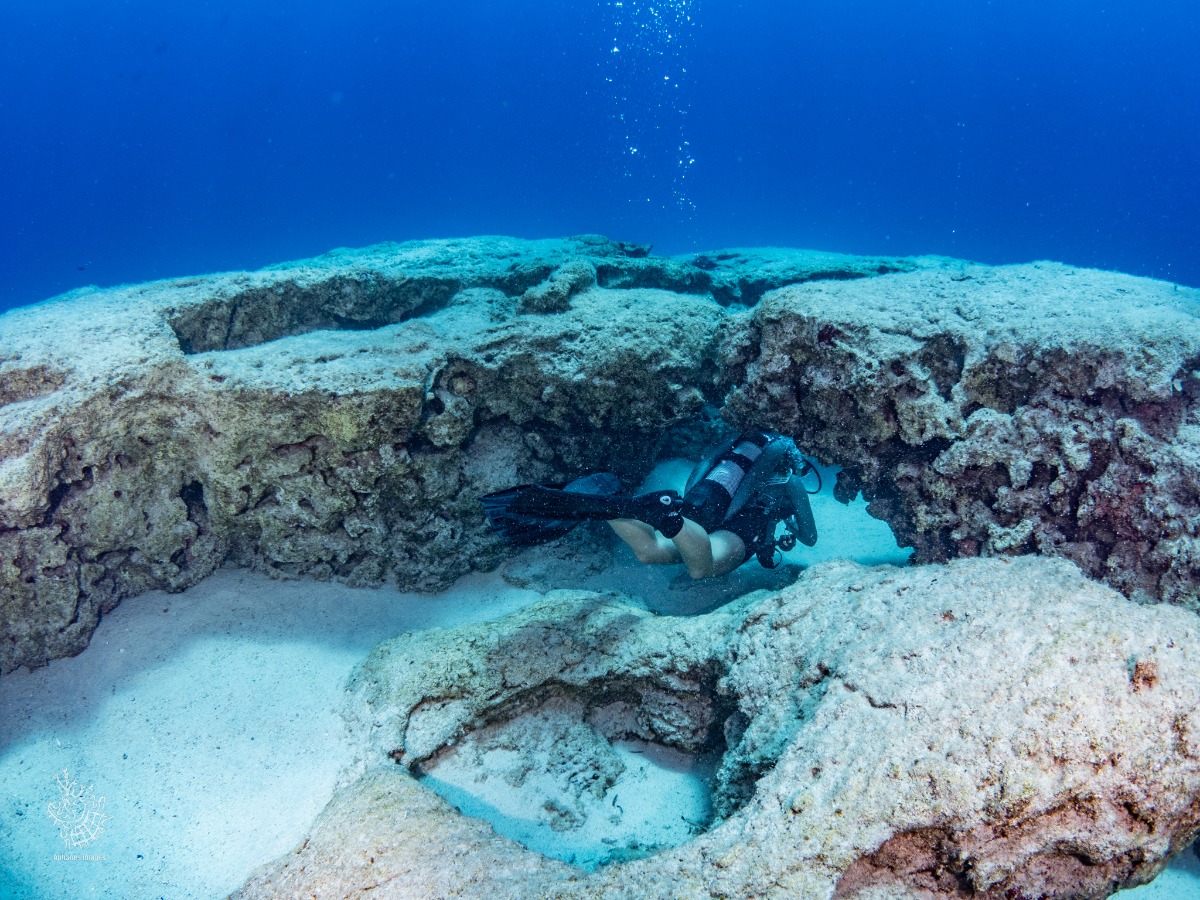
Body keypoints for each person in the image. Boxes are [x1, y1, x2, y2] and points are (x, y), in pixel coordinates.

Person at [479, 431, 818, 579]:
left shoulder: (730, 452)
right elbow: (810, 537)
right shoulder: (790, 478)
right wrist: (787, 528)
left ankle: (611, 503)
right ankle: (668, 518)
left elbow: (699, 471)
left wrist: (685, 507)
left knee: (651, 551)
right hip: (746, 526)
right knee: (702, 567)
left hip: (699, 502)